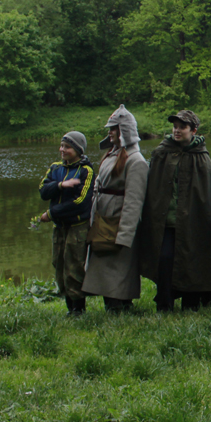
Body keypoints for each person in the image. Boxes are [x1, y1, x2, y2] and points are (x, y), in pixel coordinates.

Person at [140, 110, 211, 311]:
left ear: (193, 130)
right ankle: (164, 303)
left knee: (191, 260)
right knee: (165, 259)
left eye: (182, 127)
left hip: (193, 221)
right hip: (166, 221)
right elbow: (154, 188)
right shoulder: (161, 153)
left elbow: (207, 189)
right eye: (175, 126)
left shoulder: (201, 156)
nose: (177, 130)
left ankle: (190, 303)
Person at [82, 105, 148, 312]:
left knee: (120, 267)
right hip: (104, 218)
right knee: (104, 265)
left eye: (113, 128)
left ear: (124, 130)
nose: (109, 132)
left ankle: (121, 306)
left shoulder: (135, 161)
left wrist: (125, 234)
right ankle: (112, 304)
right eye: (110, 128)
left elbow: (134, 201)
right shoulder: (113, 154)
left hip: (118, 221)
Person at [38, 131, 94, 315]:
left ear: (78, 150)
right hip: (59, 226)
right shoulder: (55, 168)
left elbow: (80, 202)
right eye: (61, 146)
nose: (62, 150)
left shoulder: (86, 171)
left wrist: (51, 213)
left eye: (67, 147)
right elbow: (43, 191)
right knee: (59, 262)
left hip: (77, 227)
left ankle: (79, 308)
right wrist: (61, 185)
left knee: (74, 265)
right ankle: (69, 306)